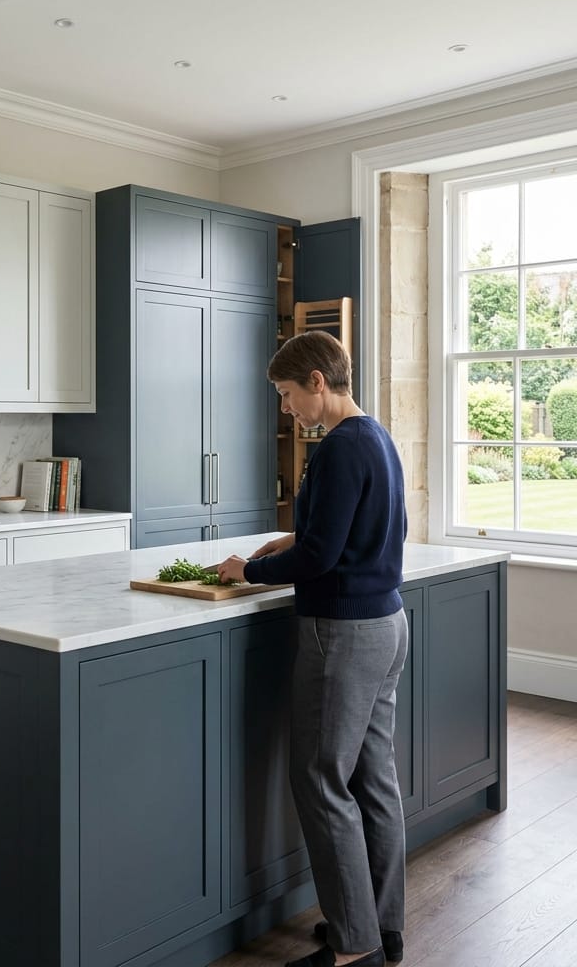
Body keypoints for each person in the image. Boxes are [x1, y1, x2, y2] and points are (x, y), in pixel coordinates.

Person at [218, 330, 408, 967]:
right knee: (372, 779)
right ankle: (383, 927)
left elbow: (323, 558)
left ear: (317, 383)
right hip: (387, 623)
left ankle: (356, 947)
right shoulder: (376, 436)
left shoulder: (334, 449)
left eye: (287, 393)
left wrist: (248, 570)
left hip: (342, 633)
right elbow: (355, 532)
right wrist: (289, 541)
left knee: (321, 781)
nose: (287, 407)